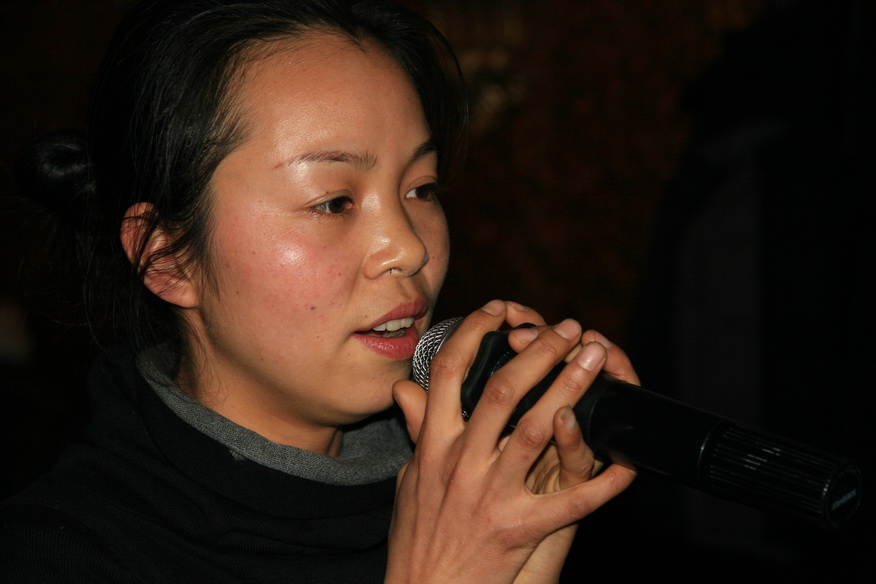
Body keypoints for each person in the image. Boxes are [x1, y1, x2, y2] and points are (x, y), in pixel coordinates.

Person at [0, 0, 639, 581]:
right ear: (167, 257)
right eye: (333, 202)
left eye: (421, 189)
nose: (409, 247)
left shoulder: (474, 499)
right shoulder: (57, 553)